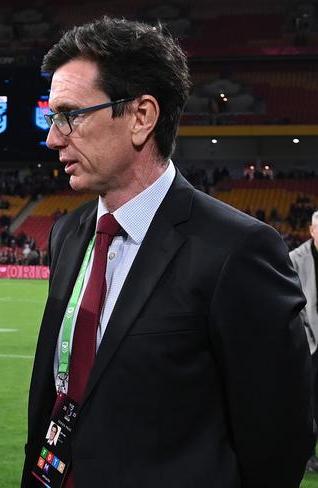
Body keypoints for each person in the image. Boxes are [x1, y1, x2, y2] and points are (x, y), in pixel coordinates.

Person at [22, 17, 313, 488]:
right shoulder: (69, 233)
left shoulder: (237, 251)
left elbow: (278, 440)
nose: (53, 137)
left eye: (70, 115)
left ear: (141, 117)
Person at [289, 210, 318, 473]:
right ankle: (307, 456)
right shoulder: (295, 258)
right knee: (308, 402)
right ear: (311, 230)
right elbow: (292, 303)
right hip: (310, 342)